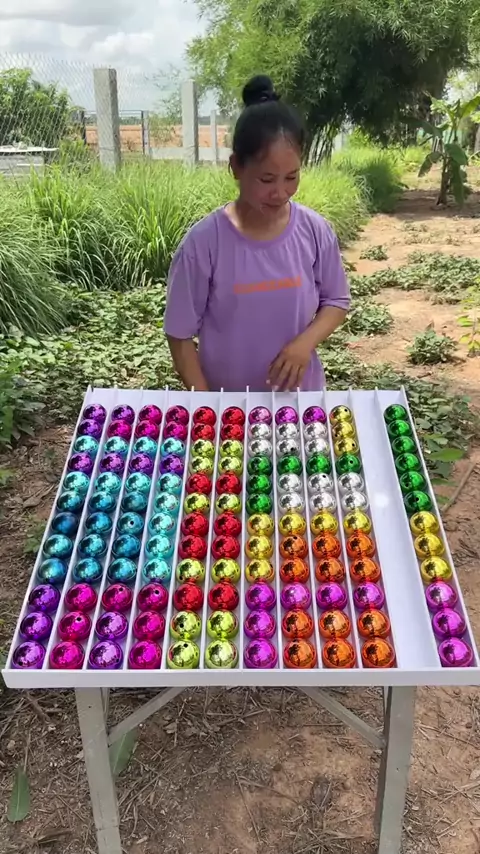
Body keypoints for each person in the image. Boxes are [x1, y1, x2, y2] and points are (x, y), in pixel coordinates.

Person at [164, 74, 350, 392]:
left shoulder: (314, 230)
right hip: (229, 407)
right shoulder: (204, 244)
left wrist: (304, 344)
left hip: (298, 405)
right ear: (236, 167)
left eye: (291, 177)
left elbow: (336, 300)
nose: (280, 192)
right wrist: (208, 406)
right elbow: (179, 335)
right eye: (266, 179)